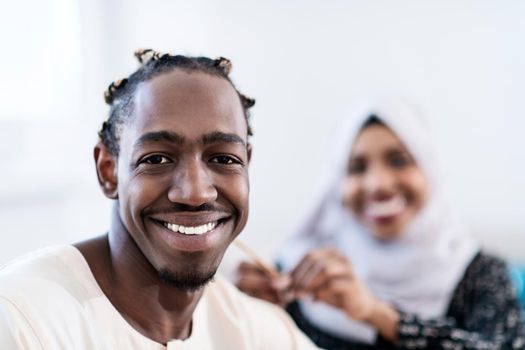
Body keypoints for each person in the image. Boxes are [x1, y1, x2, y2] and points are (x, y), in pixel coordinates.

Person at [0, 49, 321, 349]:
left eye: (223, 159)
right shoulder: (24, 318)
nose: (195, 194)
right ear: (109, 171)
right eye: (156, 159)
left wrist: (369, 314)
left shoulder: (258, 329)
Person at [235, 99, 525, 349]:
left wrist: (376, 314)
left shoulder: (479, 273)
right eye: (357, 167)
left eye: (399, 161)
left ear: (431, 171)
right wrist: (249, 313)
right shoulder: (301, 268)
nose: (378, 184)